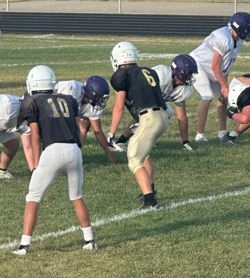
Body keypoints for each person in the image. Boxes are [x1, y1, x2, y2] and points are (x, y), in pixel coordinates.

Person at [13, 65, 97, 254]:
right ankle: (89, 240)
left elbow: (35, 135)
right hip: (74, 149)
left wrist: (35, 164)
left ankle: (24, 245)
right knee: (76, 196)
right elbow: (76, 125)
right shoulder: (69, 99)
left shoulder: (32, 102)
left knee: (33, 197)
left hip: (52, 150)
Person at [108, 41, 169, 209]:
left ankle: (150, 201)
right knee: (144, 153)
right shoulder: (149, 71)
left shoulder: (121, 75)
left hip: (148, 118)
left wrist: (111, 133)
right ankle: (150, 190)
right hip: (162, 116)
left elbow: (119, 106)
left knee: (134, 159)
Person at [189, 12, 250, 143]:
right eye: (247, 30)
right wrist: (224, 85)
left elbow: (226, 65)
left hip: (212, 68)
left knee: (222, 97)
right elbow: (215, 66)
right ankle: (199, 135)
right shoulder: (222, 37)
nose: (249, 33)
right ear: (239, 29)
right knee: (207, 96)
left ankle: (222, 132)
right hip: (198, 65)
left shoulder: (238, 40)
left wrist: (225, 85)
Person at [55, 75, 116, 163]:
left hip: (68, 114)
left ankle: (75, 155)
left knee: (83, 128)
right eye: (99, 98)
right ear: (91, 93)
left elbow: (98, 131)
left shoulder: (93, 107)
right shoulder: (72, 90)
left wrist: (110, 154)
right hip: (53, 111)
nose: (101, 101)